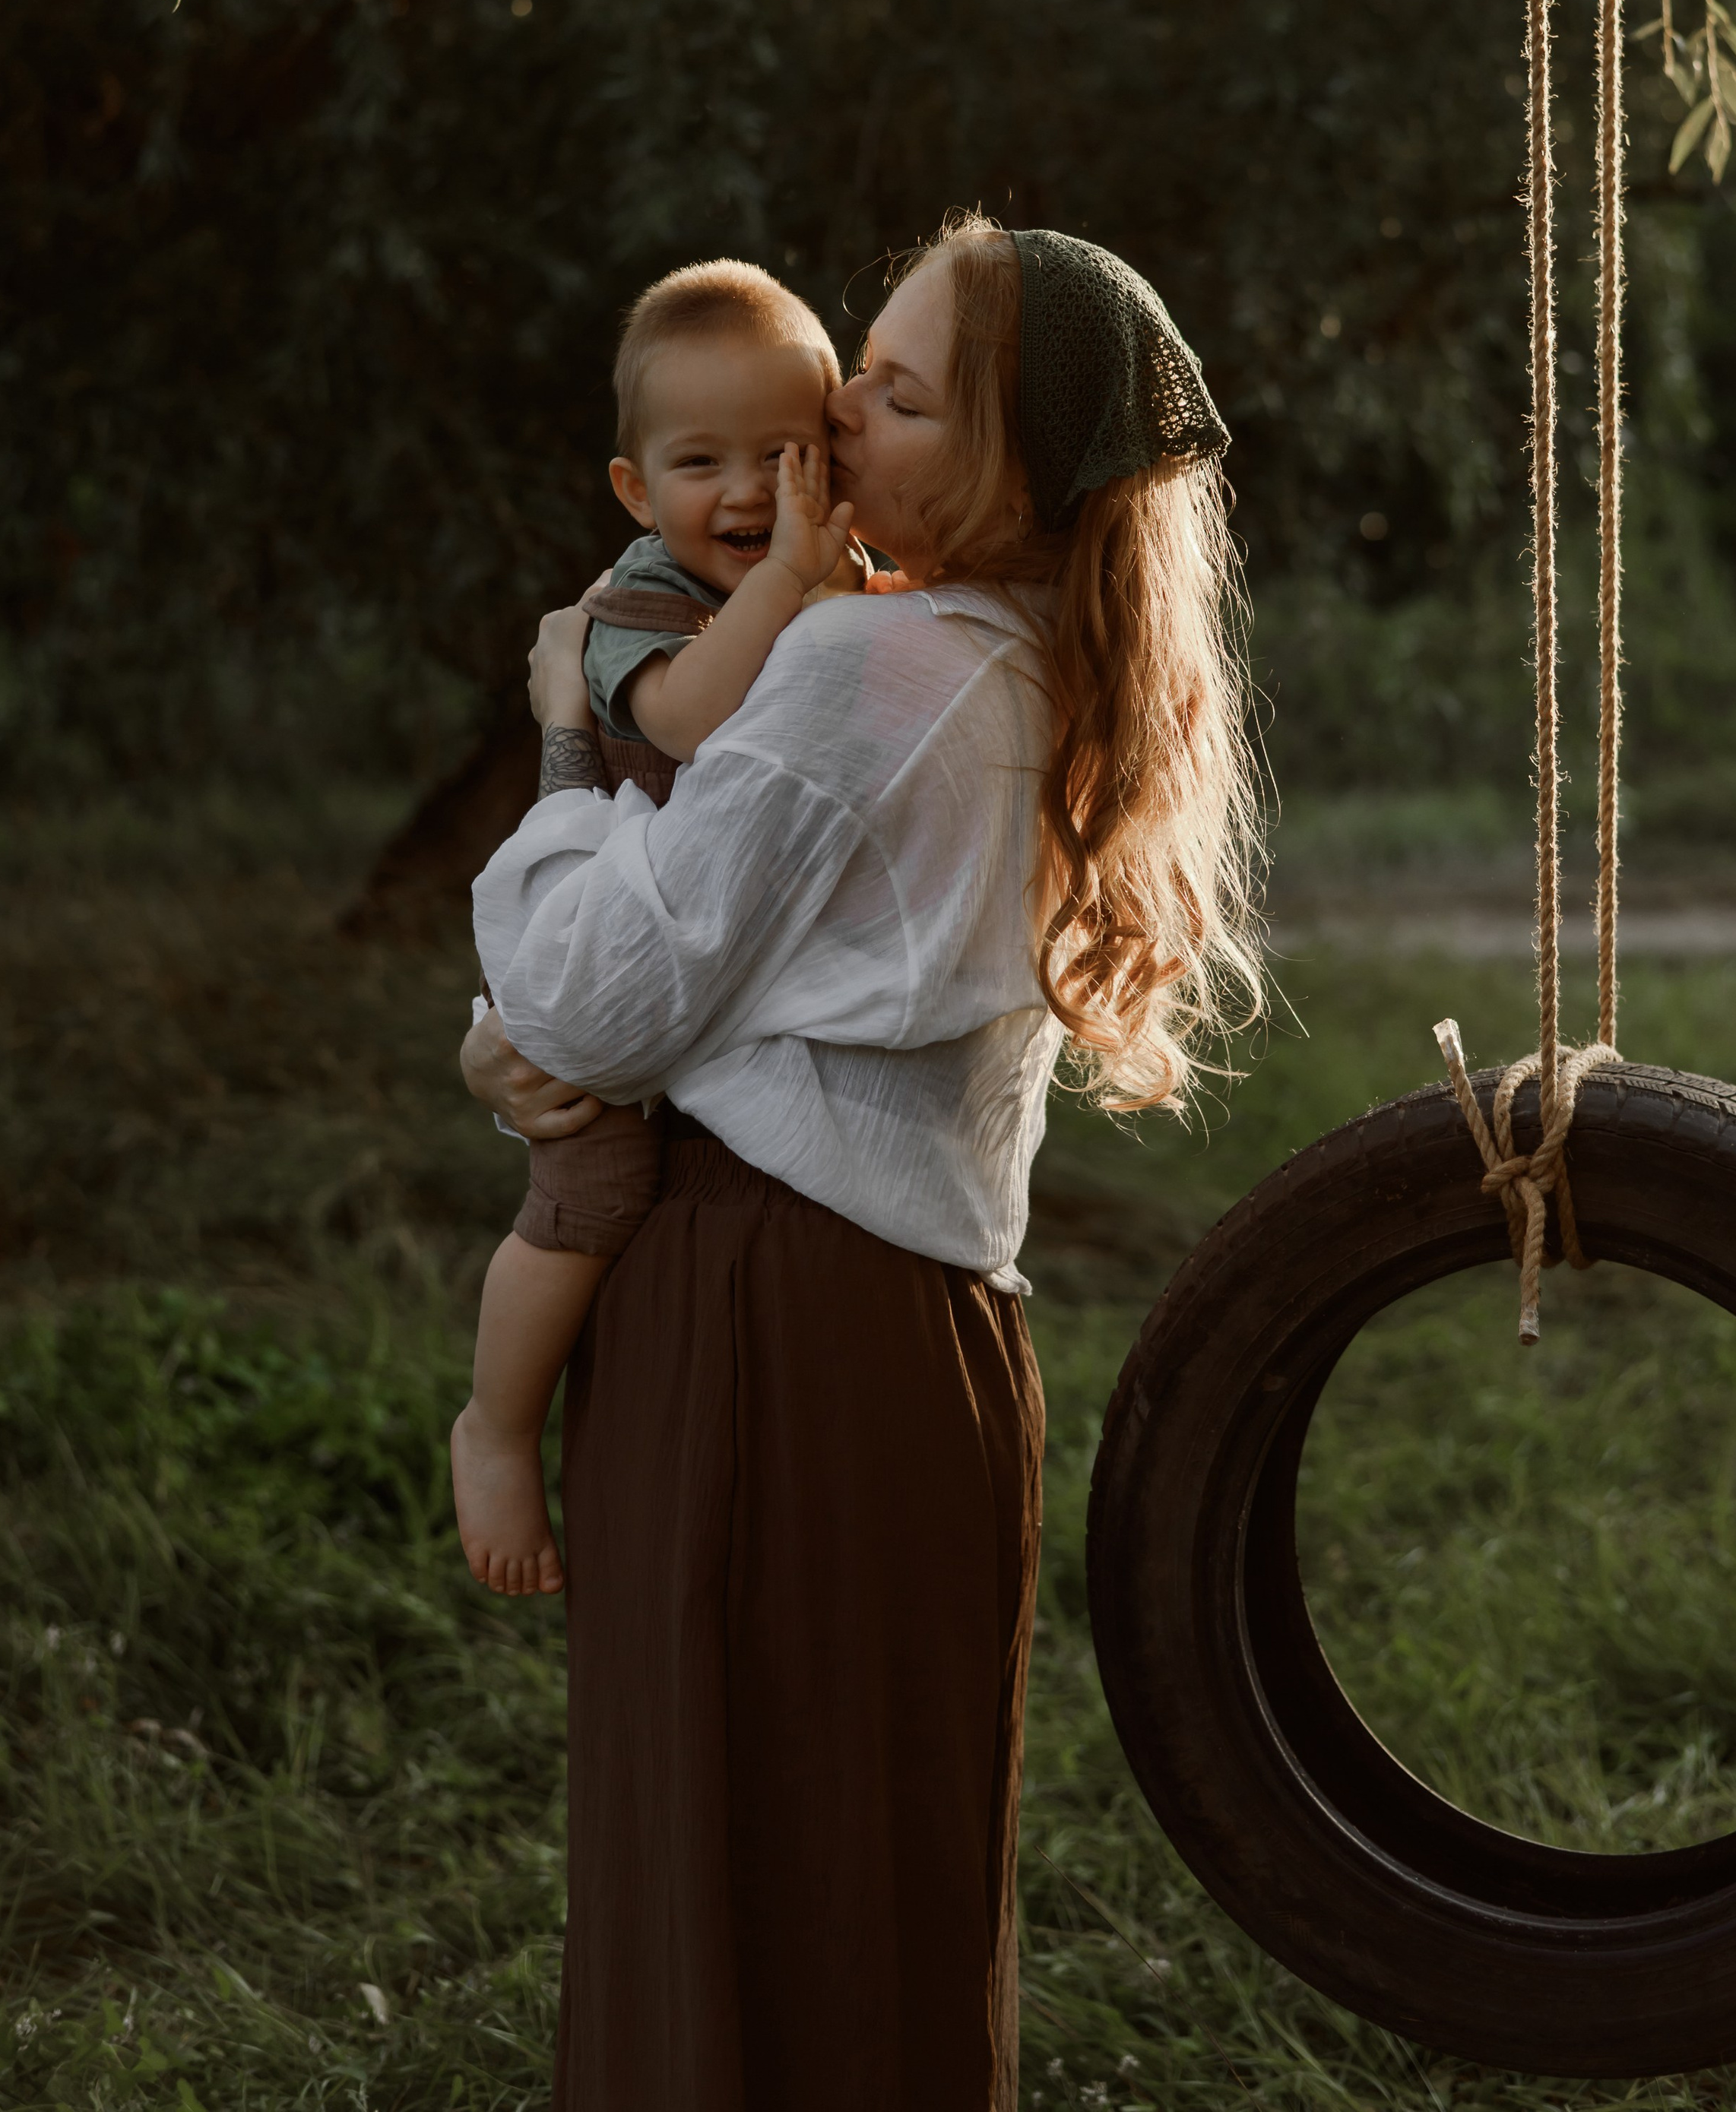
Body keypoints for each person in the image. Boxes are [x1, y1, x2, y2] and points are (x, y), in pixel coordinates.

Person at [459, 215, 1260, 2112]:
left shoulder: (866, 668)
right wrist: (541, 1038)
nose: (829, 422)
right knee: (875, 1917)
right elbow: (736, 995)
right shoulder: (1030, 662)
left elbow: (588, 1001)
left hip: (765, 1330)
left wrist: (566, 741)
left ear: (1002, 465)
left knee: (725, 1909)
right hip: (929, 1343)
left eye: (890, 396)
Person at [451, 260, 868, 1597]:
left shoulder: (834, 578)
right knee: (592, 1190)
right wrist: (792, 580)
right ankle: (496, 1428)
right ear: (637, 491)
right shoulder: (640, 604)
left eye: (785, 456)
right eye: (702, 462)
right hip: (602, 944)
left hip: (707, 972)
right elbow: (688, 720)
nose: (748, 492)